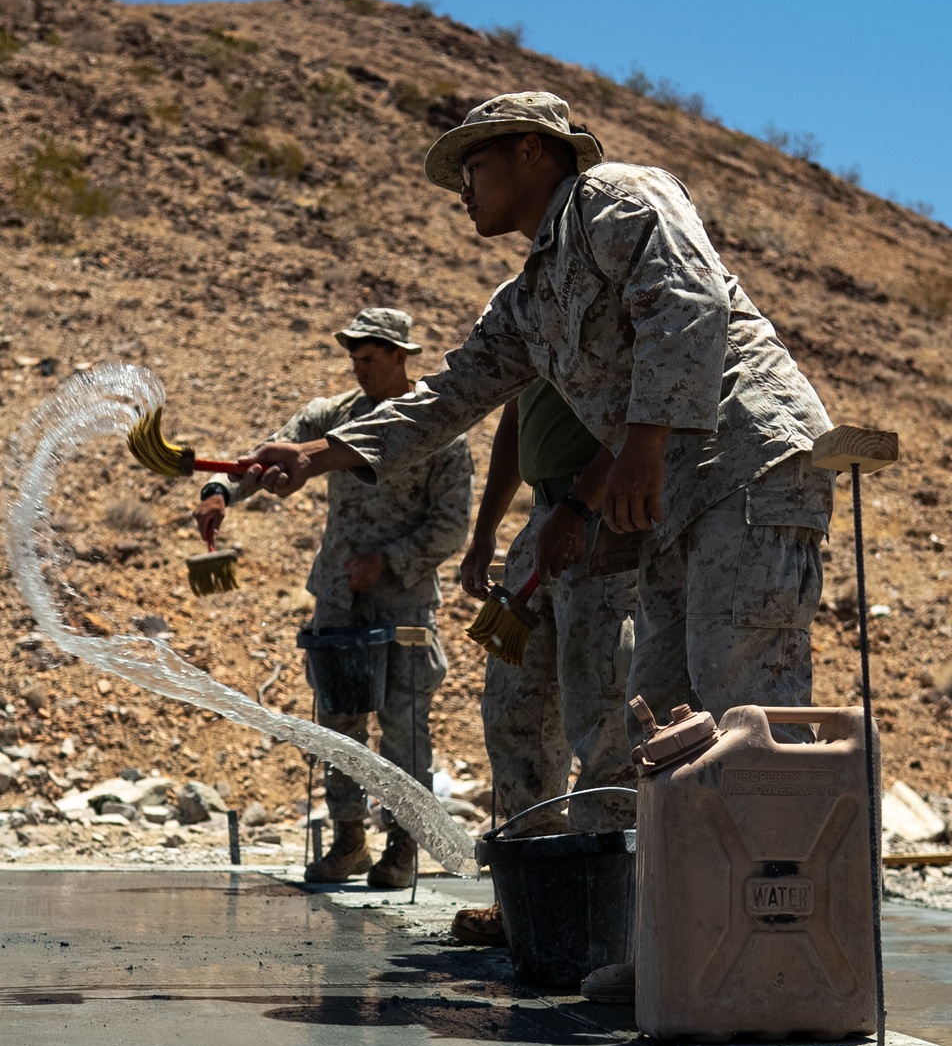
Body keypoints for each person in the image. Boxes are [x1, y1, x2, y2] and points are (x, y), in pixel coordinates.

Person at [236, 90, 834, 766]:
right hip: (672, 504)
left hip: (746, 469)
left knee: (745, 712)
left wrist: (643, 440)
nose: (463, 188)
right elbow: (447, 397)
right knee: (667, 730)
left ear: (531, 149)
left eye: (474, 166)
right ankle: (699, 873)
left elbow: (687, 302)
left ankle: (791, 870)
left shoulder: (617, 196)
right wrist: (315, 455)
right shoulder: (528, 300)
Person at [195, 307, 472, 889]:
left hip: (404, 604)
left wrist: (388, 562)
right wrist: (221, 490)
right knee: (340, 721)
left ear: (401, 355)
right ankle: (349, 840)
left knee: (403, 725)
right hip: (340, 601)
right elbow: (270, 455)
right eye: (354, 359)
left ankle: (403, 846)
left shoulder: (436, 427)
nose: (360, 368)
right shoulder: (333, 418)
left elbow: (450, 525)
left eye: (371, 358)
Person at [453, 381, 638, 945]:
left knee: (604, 719)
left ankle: (603, 909)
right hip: (543, 519)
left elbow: (638, 419)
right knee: (515, 717)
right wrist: (487, 530)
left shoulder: (606, 305)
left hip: (605, 523)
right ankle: (529, 896)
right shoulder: (532, 317)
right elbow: (515, 420)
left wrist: (581, 508)